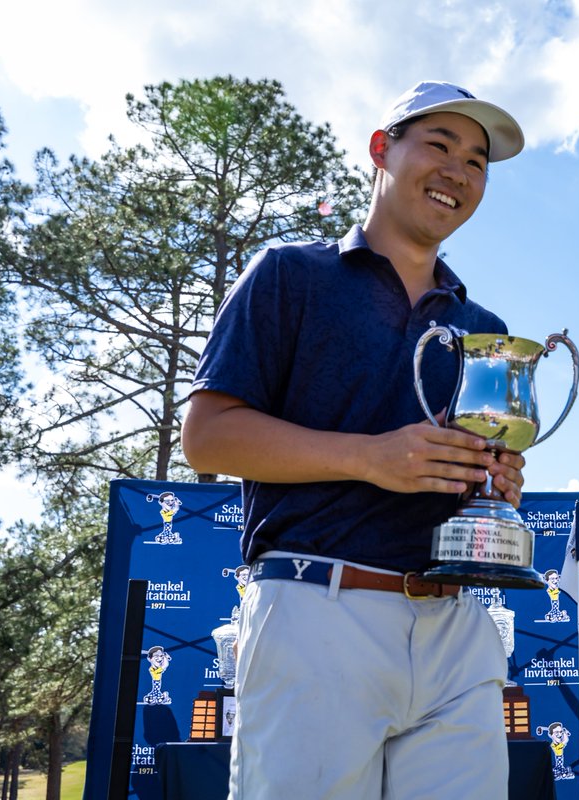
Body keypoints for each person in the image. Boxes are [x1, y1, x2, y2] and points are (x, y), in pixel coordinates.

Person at [182, 80, 527, 799]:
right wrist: (370, 459)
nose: (459, 171)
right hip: (317, 611)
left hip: (458, 626)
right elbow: (207, 437)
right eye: (439, 144)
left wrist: (491, 481)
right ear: (381, 149)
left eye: (478, 161)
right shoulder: (289, 275)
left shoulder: (484, 325)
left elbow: (466, 465)